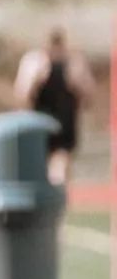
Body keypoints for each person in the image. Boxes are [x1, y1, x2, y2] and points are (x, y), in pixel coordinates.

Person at [14, 27, 96, 185]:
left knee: (60, 166)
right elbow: (21, 97)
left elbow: (89, 97)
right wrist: (35, 81)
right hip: (37, 122)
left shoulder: (74, 63)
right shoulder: (34, 62)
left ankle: (56, 198)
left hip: (64, 123)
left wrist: (77, 84)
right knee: (36, 168)